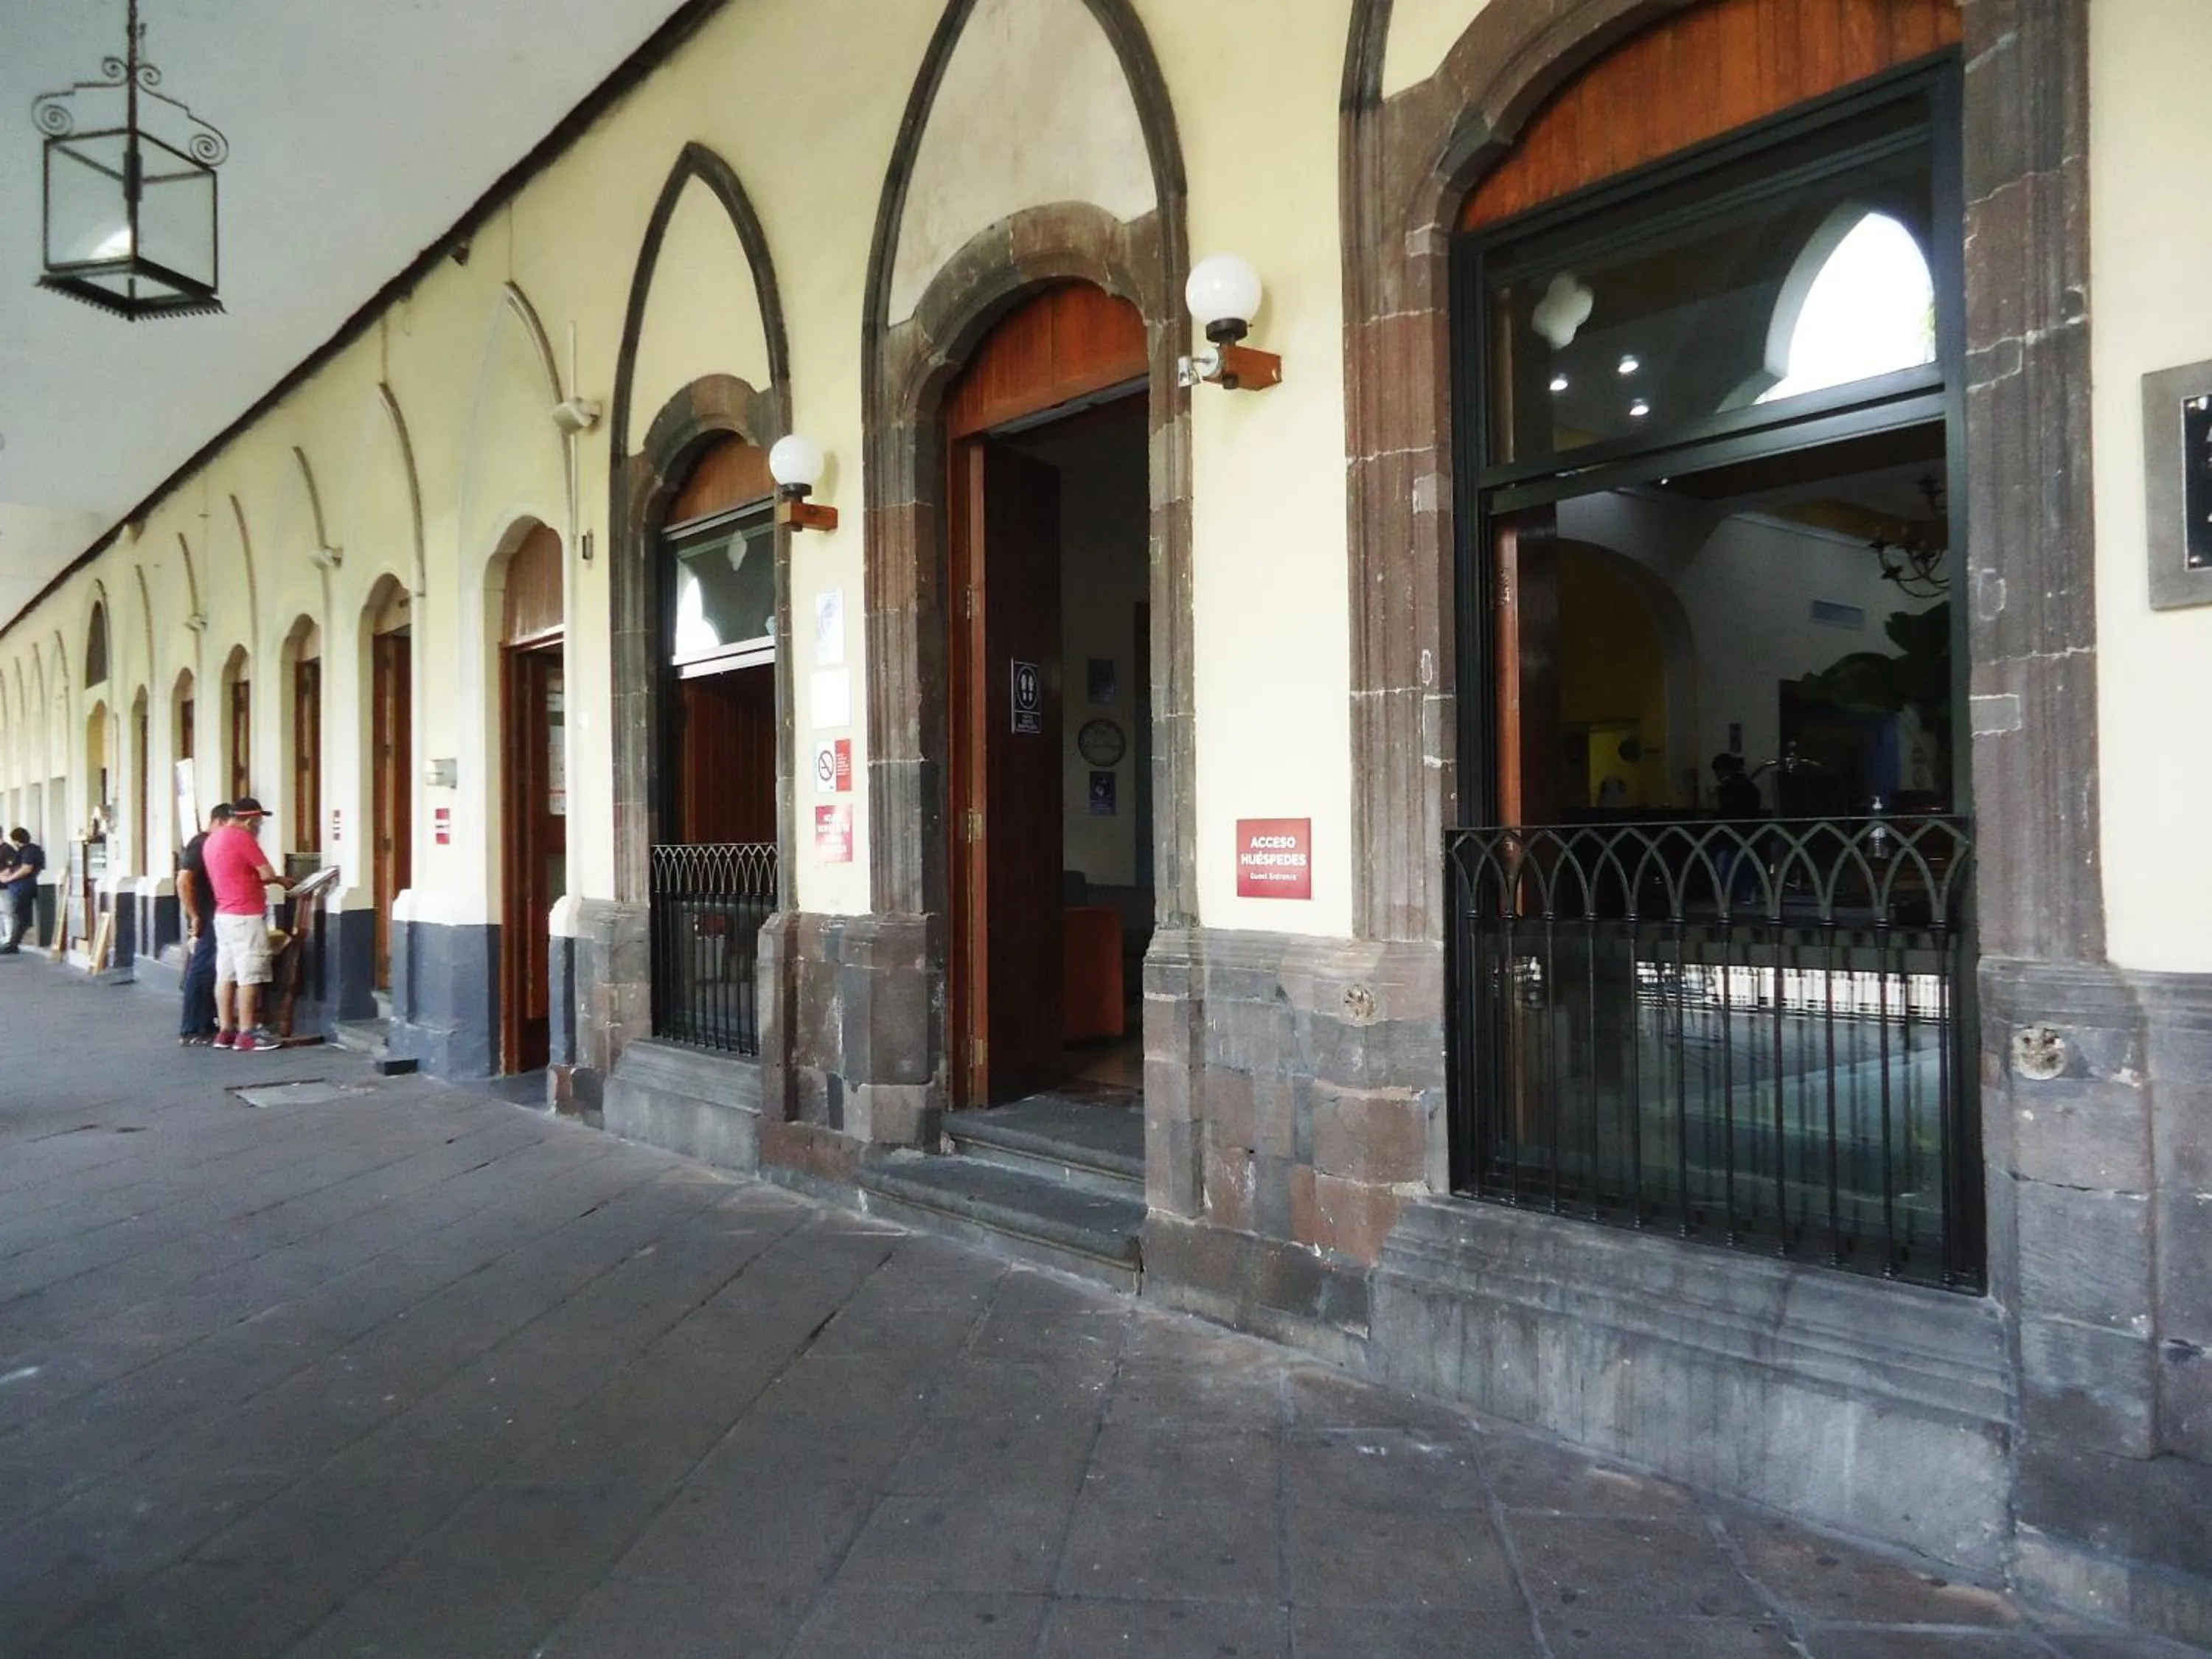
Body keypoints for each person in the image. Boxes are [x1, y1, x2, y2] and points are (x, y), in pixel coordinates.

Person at [201, 797, 288, 1051]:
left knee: (226, 974)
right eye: (259, 823)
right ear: (251, 820)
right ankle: (248, 1033)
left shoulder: (213, 839)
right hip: (245, 915)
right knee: (250, 973)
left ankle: (226, 1031)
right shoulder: (242, 838)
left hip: (224, 915)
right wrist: (281, 881)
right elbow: (267, 873)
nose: (259, 827)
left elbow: (234, 872)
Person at [175, 802, 232, 1043]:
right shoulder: (202, 844)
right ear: (219, 822)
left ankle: (206, 1022)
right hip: (206, 914)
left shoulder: (212, 844)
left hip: (215, 913)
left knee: (210, 969)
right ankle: (192, 1028)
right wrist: (195, 915)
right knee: (201, 968)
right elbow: (184, 880)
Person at [0, 827, 46, 954]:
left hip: (23, 887)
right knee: (18, 915)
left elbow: (26, 868)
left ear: (16, 840)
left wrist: (9, 878)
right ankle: (13, 943)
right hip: (20, 887)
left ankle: (13, 944)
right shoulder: (25, 851)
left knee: (19, 916)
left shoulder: (29, 851)